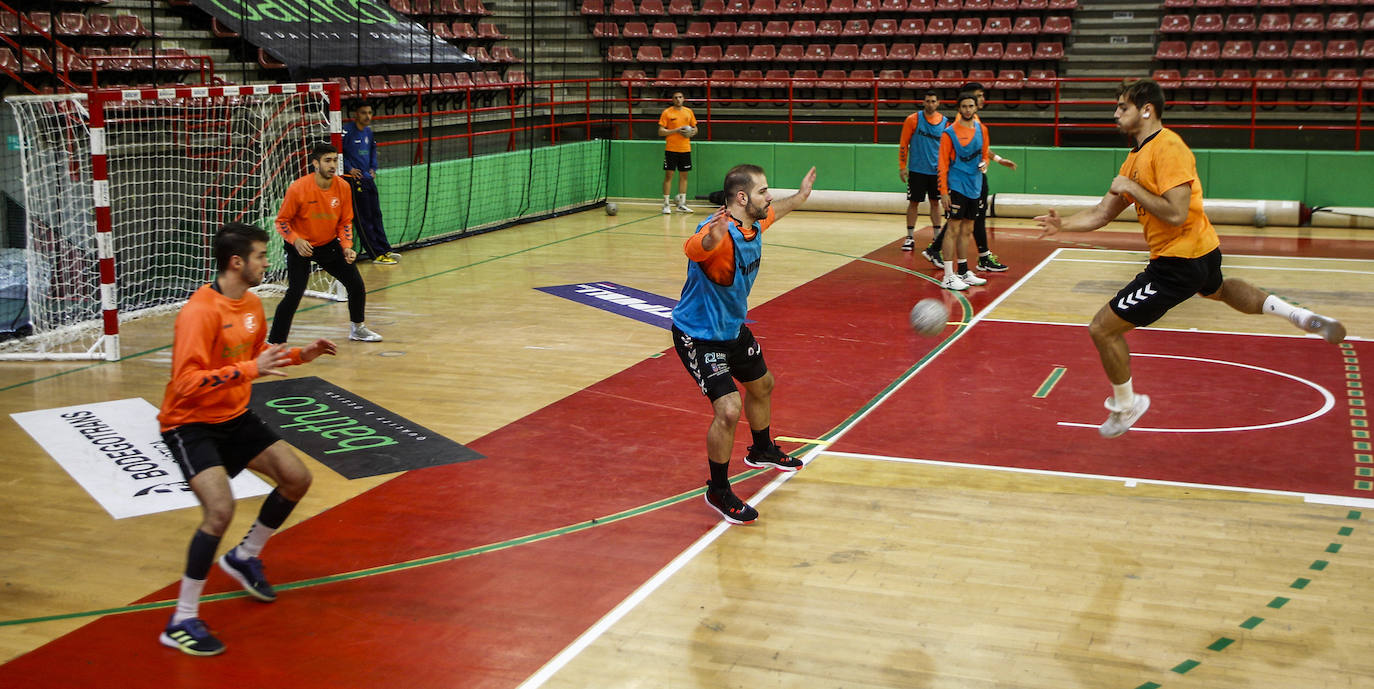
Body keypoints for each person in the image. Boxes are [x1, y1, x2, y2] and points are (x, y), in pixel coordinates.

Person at [1035, 78, 1347, 438]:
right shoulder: (1135, 158)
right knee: (1220, 290)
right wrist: (1064, 226)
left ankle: (1126, 405)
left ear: (1146, 109)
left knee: (1102, 329)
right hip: (1203, 252)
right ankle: (1299, 315)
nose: (1115, 113)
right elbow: (1102, 214)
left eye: (1122, 106)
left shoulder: (1168, 147)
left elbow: (1176, 213)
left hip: (1175, 264)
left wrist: (1132, 188)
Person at [157, 222, 337, 655]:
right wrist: (248, 372)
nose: (266, 262)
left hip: (235, 416)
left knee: (296, 478)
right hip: (190, 423)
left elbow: (258, 357)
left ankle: (244, 556)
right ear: (237, 262)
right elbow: (184, 384)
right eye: (261, 255)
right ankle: (181, 619)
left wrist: (300, 355)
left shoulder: (253, 303)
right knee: (220, 511)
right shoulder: (200, 312)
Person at [672, 164, 817, 524]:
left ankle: (762, 449)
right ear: (741, 198)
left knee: (763, 385)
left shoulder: (754, 223)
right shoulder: (718, 233)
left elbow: (774, 213)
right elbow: (695, 248)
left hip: (733, 329)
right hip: (699, 336)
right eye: (763, 191)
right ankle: (718, 490)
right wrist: (710, 238)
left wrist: (799, 197)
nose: (769, 197)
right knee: (729, 410)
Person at [269, 141, 383, 344]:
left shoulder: (343, 187)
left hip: (328, 245)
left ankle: (358, 328)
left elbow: (345, 221)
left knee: (355, 284)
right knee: (295, 293)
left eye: (335, 160)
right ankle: (275, 341)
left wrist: (347, 246)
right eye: (327, 160)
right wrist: (296, 241)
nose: (332, 165)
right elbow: (282, 222)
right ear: (315, 163)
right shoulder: (298, 188)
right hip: (301, 248)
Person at [923, 82, 1017, 272]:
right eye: (979, 96)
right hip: (959, 181)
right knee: (957, 224)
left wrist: (994, 160)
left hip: (976, 178)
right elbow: (946, 160)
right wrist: (944, 191)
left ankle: (964, 265)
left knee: (968, 223)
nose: (982, 100)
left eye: (977, 101)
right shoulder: (955, 127)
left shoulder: (980, 126)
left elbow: (982, 150)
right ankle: (970, 261)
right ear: (965, 102)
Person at [936, 92, 992, 292]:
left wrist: (985, 163)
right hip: (957, 185)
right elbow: (942, 163)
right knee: (953, 229)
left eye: (971, 106)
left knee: (968, 229)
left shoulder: (982, 130)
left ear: (976, 108)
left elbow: (985, 154)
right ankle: (948, 276)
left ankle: (963, 270)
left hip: (975, 186)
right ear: (958, 109)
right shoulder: (949, 133)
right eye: (964, 107)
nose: (968, 110)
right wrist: (943, 192)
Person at [342, 102, 400, 265]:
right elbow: (338, 151)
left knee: (376, 214)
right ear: (356, 114)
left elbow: (373, 151)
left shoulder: (368, 132)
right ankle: (376, 254)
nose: (367, 116)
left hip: (368, 179)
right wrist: (349, 168)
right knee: (364, 218)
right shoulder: (347, 131)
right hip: (354, 181)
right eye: (363, 113)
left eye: (369, 113)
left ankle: (384, 248)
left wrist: (373, 168)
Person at [897, 90, 947, 252]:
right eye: (927, 101)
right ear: (923, 102)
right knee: (913, 202)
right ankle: (910, 237)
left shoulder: (945, 123)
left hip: (936, 171)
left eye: (933, 101)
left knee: (935, 202)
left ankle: (937, 237)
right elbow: (904, 144)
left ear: (938, 103)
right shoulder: (913, 120)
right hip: (917, 170)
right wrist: (902, 166)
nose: (930, 104)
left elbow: (948, 149)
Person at [658, 90, 698, 215]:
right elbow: (660, 131)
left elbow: (695, 127)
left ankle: (682, 204)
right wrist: (676, 130)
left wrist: (692, 132)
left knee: (684, 177)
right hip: (671, 149)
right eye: (676, 97)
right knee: (669, 176)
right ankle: (666, 204)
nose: (678, 99)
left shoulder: (688, 112)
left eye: (680, 97)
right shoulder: (667, 113)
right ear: (672, 99)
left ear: (684, 99)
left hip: (685, 149)